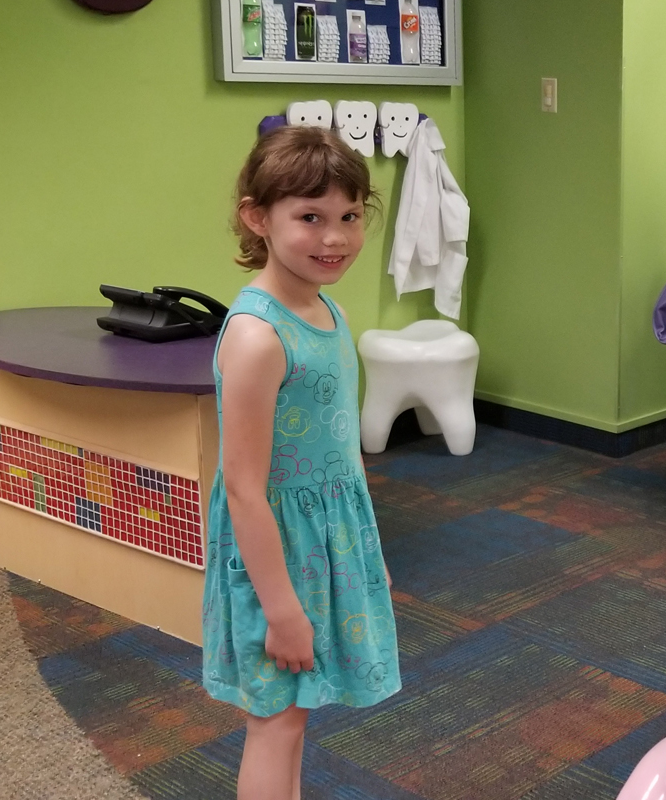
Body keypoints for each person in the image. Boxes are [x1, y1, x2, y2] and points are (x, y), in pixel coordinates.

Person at [203, 125, 400, 800]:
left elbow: (339, 449)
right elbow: (243, 489)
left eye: (350, 216)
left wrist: (363, 551)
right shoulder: (257, 337)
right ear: (257, 218)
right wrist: (281, 609)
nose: (335, 238)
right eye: (310, 218)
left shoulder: (328, 310)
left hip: (327, 541)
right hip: (275, 554)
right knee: (277, 721)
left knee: (296, 713)